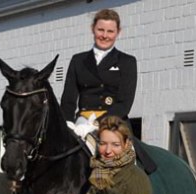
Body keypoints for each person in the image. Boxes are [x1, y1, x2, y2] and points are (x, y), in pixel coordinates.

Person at [60, 8, 156, 173]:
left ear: (118, 32)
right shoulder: (78, 60)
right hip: (81, 123)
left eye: (110, 31)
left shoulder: (127, 62)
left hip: (114, 123)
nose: (105, 35)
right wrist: (68, 124)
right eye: (101, 30)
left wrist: (96, 123)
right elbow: (68, 99)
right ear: (93, 29)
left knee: (127, 167)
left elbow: (124, 103)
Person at [38, 116, 153, 194]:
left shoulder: (135, 178)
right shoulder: (99, 173)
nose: (108, 151)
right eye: (103, 143)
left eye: (115, 144)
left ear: (126, 144)